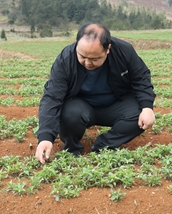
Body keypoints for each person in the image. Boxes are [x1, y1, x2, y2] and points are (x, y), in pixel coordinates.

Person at [35, 22, 156, 163]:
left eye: (94, 59)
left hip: (116, 104)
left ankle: (103, 146)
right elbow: (52, 97)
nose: (87, 63)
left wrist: (147, 107)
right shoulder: (66, 59)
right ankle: (71, 150)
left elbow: (141, 77)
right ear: (77, 45)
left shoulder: (124, 51)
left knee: (141, 114)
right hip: (82, 107)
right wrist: (45, 137)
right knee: (67, 113)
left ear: (108, 49)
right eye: (82, 56)